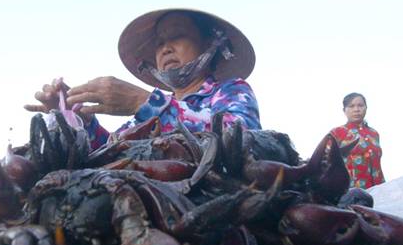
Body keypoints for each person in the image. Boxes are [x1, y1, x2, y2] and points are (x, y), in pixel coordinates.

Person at [25, 8, 261, 150]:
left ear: (210, 44)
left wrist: (147, 103)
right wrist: (79, 119)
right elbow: (112, 148)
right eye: (159, 43)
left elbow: (241, 139)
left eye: (177, 36)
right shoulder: (145, 116)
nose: (165, 48)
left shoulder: (232, 91)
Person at [330, 92, 385, 189]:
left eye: (360, 105)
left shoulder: (374, 134)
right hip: (350, 192)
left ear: (366, 108)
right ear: (344, 110)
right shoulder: (337, 133)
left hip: (378, 190)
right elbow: (326, 161)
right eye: (351, 106)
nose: (356, 109)